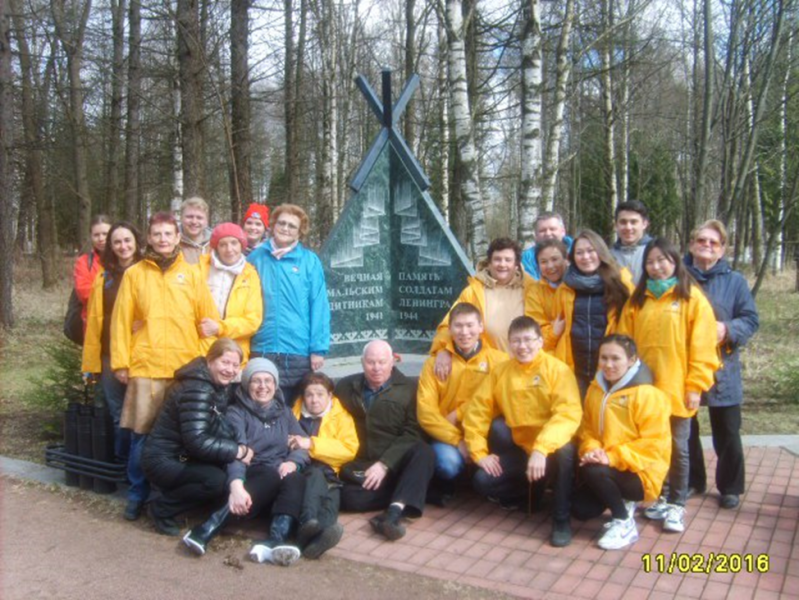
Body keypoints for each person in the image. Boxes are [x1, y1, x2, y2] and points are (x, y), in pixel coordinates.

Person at [111, 211, 217, 523]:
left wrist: (200, 360)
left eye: (168, 234)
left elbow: (208, 322)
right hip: (147, 367)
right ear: (148, 237)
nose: (162, 239)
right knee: (142, 435)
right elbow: (120, 321)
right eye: (156, 234)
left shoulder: (192, 274)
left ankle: (169, 497)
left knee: (182, 437)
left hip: (184, 370)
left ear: (177, 237)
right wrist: (121, 362)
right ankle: (137, 494)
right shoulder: (135, 274)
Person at [619, 238, 719, 534]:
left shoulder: (691, 298)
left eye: (662, 260)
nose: (656, 267)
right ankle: (660, 495)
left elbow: (703, 347)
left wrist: (695, 386)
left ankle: (677, 502)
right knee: (649, 444)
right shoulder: (637, 300)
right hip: (644, 390)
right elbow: (624, 343)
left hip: (677, 388)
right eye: (650, 262)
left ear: (675, 261)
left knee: (678, 448)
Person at [463, 316, 582, 547]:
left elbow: (567, 415)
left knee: (566, 451)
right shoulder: (501, 372)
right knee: (482, 480)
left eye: (528, 340)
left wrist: (541, 449)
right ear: (509, 344)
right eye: (516, 341)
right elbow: (477, 412)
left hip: (551, 448)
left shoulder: (558, 370)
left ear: (540, 341)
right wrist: (479, 453)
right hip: (522, 447)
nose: (522, 346)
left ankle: (561, 519)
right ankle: (529, 492)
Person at [685, 220, 759, 509]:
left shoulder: (735, 281)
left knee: (727, 429)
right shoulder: (678, 276)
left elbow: (750, 319)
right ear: (692, 244)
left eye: (714, 242)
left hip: (722, 366)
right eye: (702, 240)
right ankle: (692, 480)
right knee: (686, 427)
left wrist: (727, 329)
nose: (707, 245)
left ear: (722, 249)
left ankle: (730, 487)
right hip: (686, 365)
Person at [573, 334, 671, 550]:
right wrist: (591, 450)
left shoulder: (647, 394)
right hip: (607, 464)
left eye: (615, 358)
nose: (608, 365)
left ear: (631, 360)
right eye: (604, 358)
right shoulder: (596, 389)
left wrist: (610, 457)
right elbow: (587, 429)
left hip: (641, 473)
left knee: (593, 471)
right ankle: (622, 500)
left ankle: (624, 522)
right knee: (581, 510)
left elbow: (653, 444)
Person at [141, 339, 248, 536]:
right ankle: (161, 509)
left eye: (235, 365)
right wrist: (237, 451)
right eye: (225, 362)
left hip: (182, 455)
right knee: (216, 481)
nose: (230, 370)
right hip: (166, 459)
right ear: (210, 360)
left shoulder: (214, 385)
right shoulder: (197, 389)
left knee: (223, 472)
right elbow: (197, 441)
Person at [335, 340, 435, 542]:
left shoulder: (409, 389)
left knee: (424, 452)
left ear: (393, 361)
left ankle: (393, 513)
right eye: (371, 362)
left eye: (382, 362)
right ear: (362, 362)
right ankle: (408, 493)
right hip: (362, 464)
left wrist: (385, 464)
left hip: (396, 461)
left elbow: (414, 432)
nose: (376, 368)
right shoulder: (346, 386)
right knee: (350, 499)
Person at [417, 303, 508, 494]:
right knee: (448, 464)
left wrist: (460, 413)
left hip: (483, 432)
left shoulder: (499, 361)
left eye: (470, 325)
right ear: (449, 329)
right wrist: (458, 440)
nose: (464, 332)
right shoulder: (433, 364)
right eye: (458, 326)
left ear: (481, 327)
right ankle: (455, 484)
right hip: (447, 434)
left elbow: (501, 402)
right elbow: (426, 414)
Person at [226, 359, 309, 566]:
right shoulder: (236, 413)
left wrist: (292, 462)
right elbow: (236, 454)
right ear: (247, 384)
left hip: (277, 477)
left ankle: (275, 539)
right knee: (270, 475)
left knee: (295, 477)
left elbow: (301, 445)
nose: (263, 386)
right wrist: (236, 485)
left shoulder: (285, 412)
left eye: (268, 380)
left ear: (275, 384)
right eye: (256, 381)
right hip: (253, 477)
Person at [247, 204, 331, 405]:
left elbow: (319, 305)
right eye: (281, 223)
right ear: (272, 225)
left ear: (300, 232)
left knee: (293, 409)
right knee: (261, 406)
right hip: (262, 345)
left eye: (292, 226)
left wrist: (318, 348)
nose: (285, 228)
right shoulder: (255, 258)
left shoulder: (309, 261)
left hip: (297, 349)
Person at [430, 238, 534, 381]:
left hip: (525, 373)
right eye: (497, 259)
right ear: (489, 263)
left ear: (516, 264)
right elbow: (449, 324)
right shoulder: (473, 292)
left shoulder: (532, 290)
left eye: (508, 260)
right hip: (487, 373)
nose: (502, 264)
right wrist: (443, 349)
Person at [82, 221, 144, 462]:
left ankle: (141, 468)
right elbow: (96, 319)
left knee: (142, 414)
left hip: (142, 353)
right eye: (117, 242)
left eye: (127, 240)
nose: (123, 246)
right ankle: (123, 462)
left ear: (136, 242)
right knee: (118, 413)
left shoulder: (148, 272)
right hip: (110, 354)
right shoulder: (104, 276)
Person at [552, 230, 632, 397]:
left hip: (610, 368)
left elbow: (633, 322)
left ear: (601, 252)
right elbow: (558, 326)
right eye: (579, 253)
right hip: (575, 369)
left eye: (590, 251)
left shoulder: (620, 281)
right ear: (573, 257)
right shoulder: (565, 288)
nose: (585, 257)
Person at [289, 372, 359, 559]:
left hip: (329, 474)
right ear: (303, 396)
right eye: (309, 395)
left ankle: (313, 540)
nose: (314, 400)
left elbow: (349, 450)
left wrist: (312, 444)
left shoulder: (341, 417)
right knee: (315, 476)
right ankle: (308, 524)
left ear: (329, 395)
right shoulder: (293, 414)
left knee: (331, 494)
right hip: (303, 470)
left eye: (320, 394)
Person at [197, 223, 263, 366]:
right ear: (216, 247)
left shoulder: (250, 275)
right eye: (223, 244)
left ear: (241, 245)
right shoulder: (199, 269)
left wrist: (220, 327)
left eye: (234, 243)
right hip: (200, 351)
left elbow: (253, 320)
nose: (229, 249)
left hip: (234, 355)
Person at [525, 238, 569, 352]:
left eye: (555, 259)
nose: (550, 266)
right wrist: (554, 332)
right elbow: (535, 332)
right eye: (544, 262)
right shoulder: (535, 292)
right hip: (551, 357)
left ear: (566, 260)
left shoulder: (577, 286)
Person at [73, 215, 112, 330]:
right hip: (93, 324)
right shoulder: (83, 262)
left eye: (105, 234)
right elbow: (84, 293)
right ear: (91, 236)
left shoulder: (123, 259)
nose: (101, 239)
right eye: (96, 235)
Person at [520, 212, 574, 280]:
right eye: (542, 230)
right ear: (536, 235)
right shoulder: (527, 258)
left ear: (563, 231)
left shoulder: (577, 251)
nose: (548, 234)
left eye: (552, 229)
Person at [610, 201, 652, 284]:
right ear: (616, 225)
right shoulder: (609, 257)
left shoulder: (657, 252)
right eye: (623, 222)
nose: (628, 227)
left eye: (633, 222)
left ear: (644, 224)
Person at [179, 197, 213, 264]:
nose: (194, 222)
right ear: (181, 218)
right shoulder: (171, 244)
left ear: (206, 221)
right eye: (189, 217)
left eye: (199, 218)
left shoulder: (216, 244)